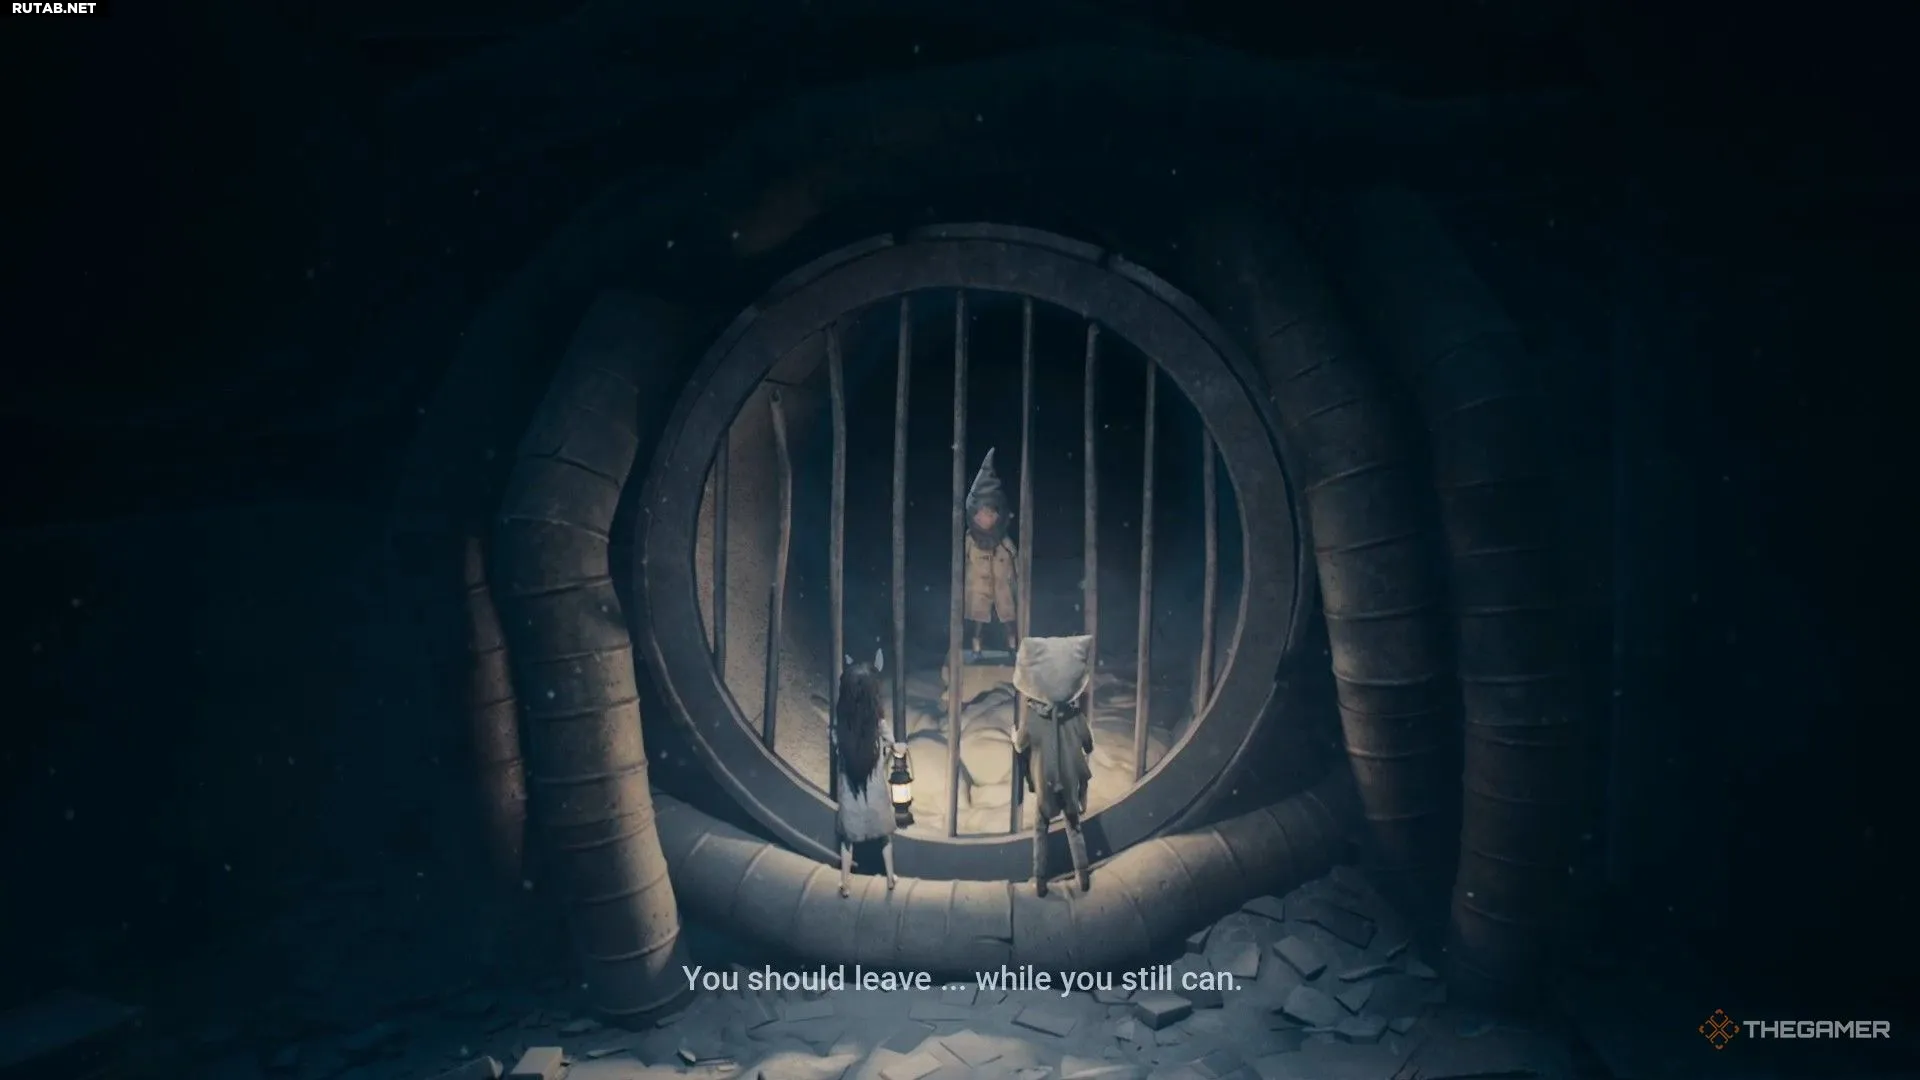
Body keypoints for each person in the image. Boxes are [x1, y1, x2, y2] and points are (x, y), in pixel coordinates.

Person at [1011, 635, 1096, 896]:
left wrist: (1014, 736)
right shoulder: (1075, 716)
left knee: (1040, 828)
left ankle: (1040, 879)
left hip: (1045, 780)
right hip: (1069, 780)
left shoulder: (1034, 718)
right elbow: (1088, 743)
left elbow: (1021, 744)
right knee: (1074, 826)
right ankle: (1082, 874)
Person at [831, 649, 898, 897]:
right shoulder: (877, 723)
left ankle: (845, 882)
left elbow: (836, 744)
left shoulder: (842, 726)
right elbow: (892, 741)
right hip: (875, 786)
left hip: (850, 788)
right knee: (885, 837)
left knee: (848, 839)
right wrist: (889, 751)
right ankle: (890, 877)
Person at [963, 449, 1020, 660]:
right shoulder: (970, 541)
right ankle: (976, 648)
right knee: (978, 621)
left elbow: (1017, 563)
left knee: (1008, 619)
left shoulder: (1004, 543)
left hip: (1003, 588)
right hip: (978, 589)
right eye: (981, 514)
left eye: (989, 514)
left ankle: (1012, 647)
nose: (985, 519)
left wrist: (1016, 582)